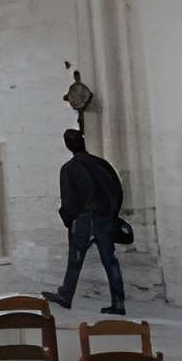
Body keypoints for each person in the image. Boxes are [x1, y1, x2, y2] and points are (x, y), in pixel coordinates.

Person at [52, 127, 127, 313]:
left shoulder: (69, 169)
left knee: (75, 260)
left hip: (84, 219)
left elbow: (68, 200)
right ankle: (118, 303)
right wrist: (112, 213)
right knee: (110, 260)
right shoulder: (102, 164)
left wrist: (69, 220)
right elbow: (117, 190)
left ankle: (66, 295)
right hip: (104, 217)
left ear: (68, 145)